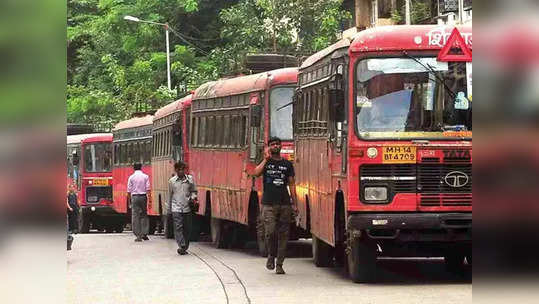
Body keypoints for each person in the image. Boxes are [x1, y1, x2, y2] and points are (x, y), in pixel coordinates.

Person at [252, 136, 298, 275]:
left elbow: (291, 184)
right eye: (272, 144)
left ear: (281, 146)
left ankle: (279, 264)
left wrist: (294, 204)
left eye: (277, 144)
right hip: (268, 204)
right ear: (269, 147)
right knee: (270, 232)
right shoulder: (267, 163)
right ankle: (271, 255)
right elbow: (256, 173)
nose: (275, 146)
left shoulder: (287, 165)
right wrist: (265, 159)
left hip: (284, 204)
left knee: (283, 235)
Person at [169, 161, 197, 255]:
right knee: (178, 227)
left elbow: (194, 191)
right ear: (176, 170)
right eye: (179, 169)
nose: (181, 171)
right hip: (176, 207)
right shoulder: (172, 181)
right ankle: (182, 244)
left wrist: (192, 198)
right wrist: (169, 209)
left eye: (183, 169)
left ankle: (185, 247)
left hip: (187, 208)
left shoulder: (190, 180)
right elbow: (170, 195)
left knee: (187, 228)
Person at [127, 163, 150, 242]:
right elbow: (148, 189)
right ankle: (145, 233)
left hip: (135, 197)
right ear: (141, 168)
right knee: (144, 215)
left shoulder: (131, 177)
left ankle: (138, 235)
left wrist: (129, 201)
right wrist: (149, 199)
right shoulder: (145, 176)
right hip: (143, 196)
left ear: (134, 168)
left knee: (135, 216)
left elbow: (129, 191)